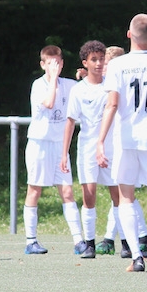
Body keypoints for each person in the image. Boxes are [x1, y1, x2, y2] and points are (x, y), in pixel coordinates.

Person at [96, 14, 147, 272]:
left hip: (126, 139)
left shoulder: (117, 65)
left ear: (129, 34)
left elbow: (112, 105)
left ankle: (137, 257)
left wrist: (100, 141)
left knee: (126, 197)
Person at [23, 45, 85, 255]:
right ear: (43, 65)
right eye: (50, 63)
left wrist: (85, 76)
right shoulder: (38, 85)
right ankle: (31, 241)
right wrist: (53, 80)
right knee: (34, 190)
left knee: (67, 191)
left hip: (60, 145)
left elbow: (89, 89)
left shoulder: (69, 85)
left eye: (57, 63)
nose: (54, 67)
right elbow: (49, 103)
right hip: (40, 144)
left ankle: (78, 241)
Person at [60, 40, 112, 259]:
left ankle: (124, 242)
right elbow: (70, 121)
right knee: (89, 195)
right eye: (94, 60)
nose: (99, 63)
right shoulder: (78, 90)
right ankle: (89, 243)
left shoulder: (112, 86)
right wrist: (64, 153)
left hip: (111, 147)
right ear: (85, 63)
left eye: (101, 59)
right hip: (87, 148)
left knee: (118, 194)